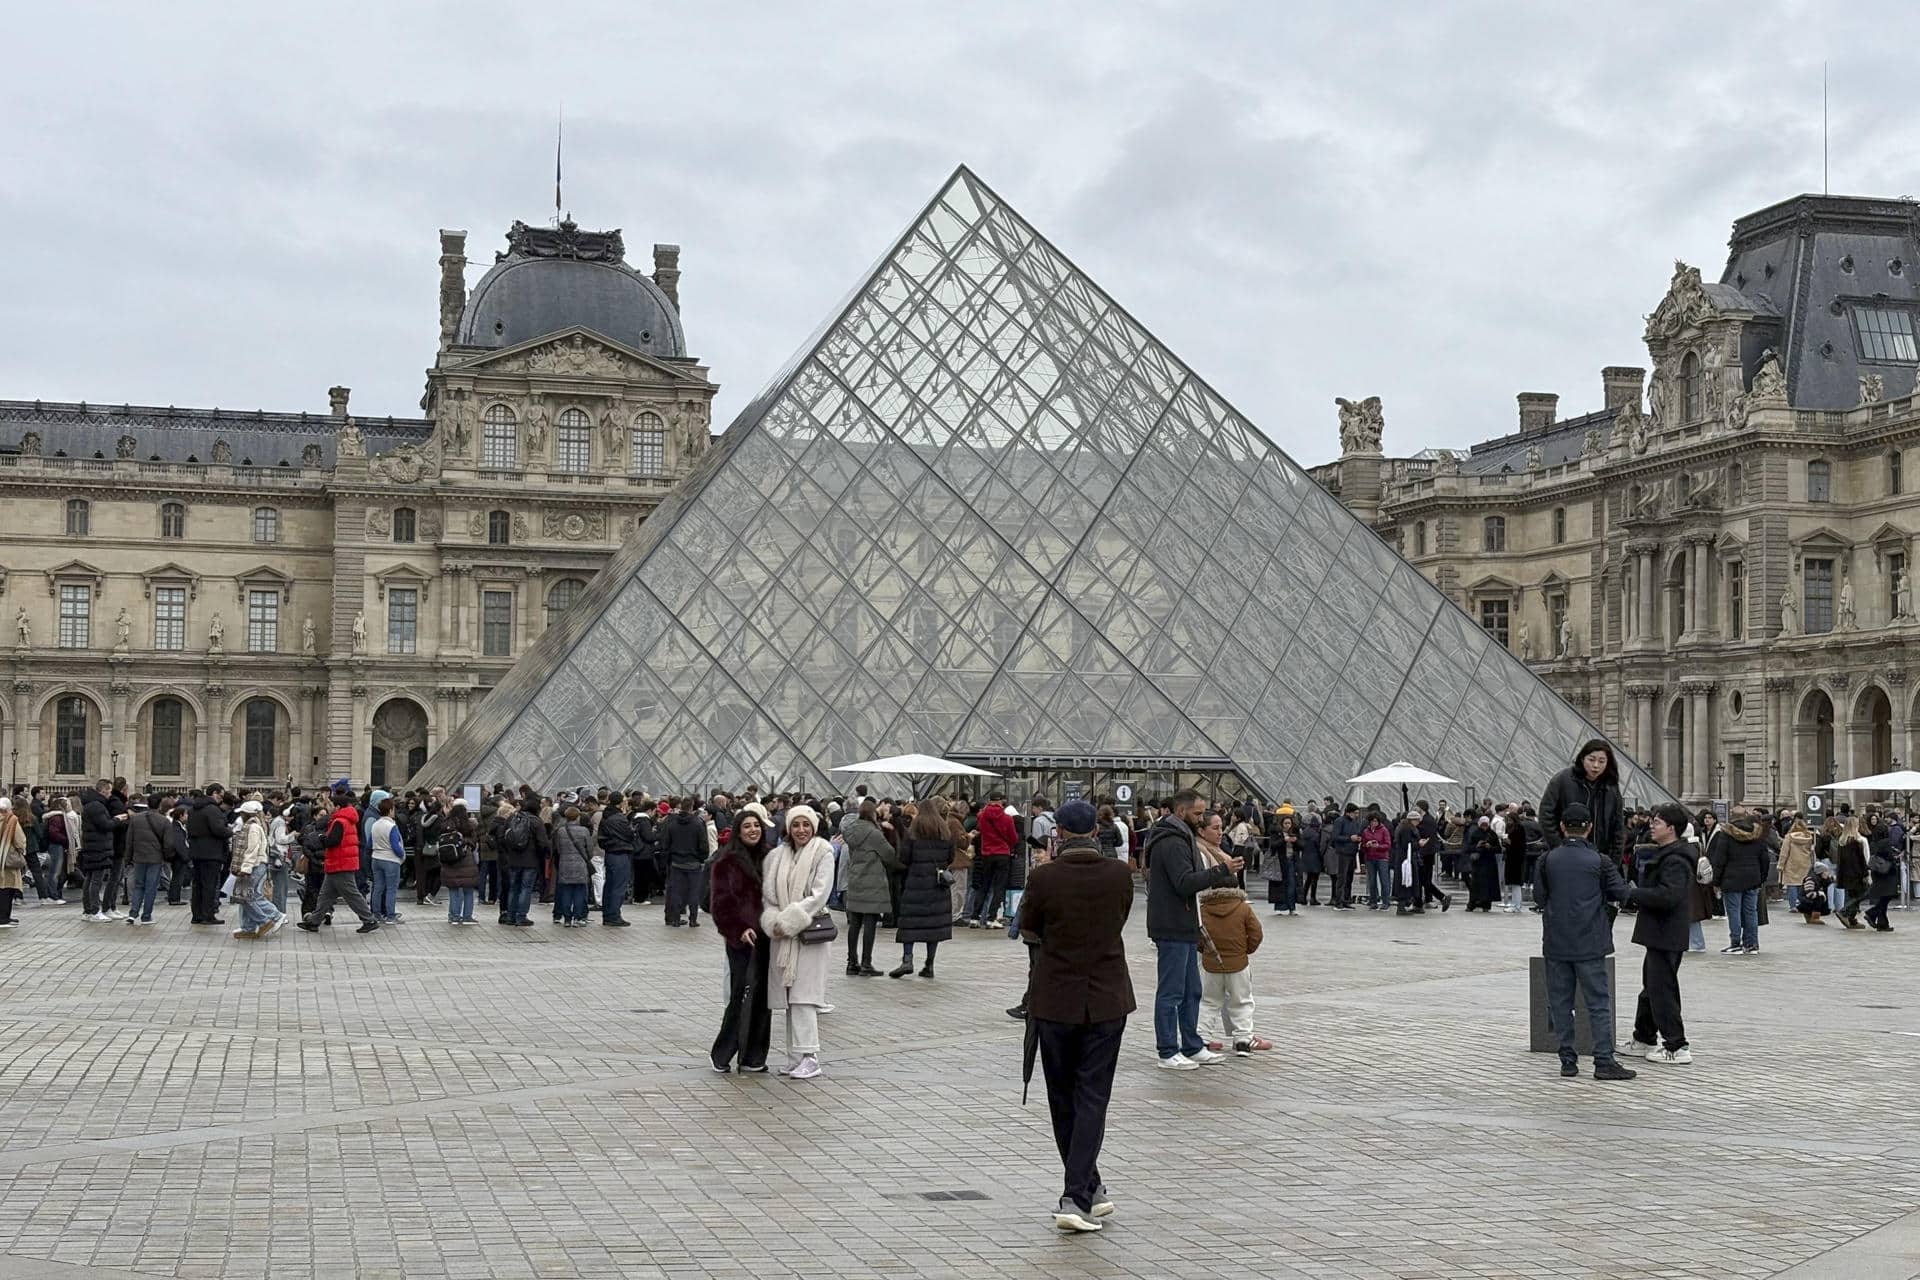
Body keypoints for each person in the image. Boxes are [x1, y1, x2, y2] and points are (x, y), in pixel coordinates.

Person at [1017, 797, 1135, 1233]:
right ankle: (1089, 1186)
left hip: (1055, 998)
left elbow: (1028, 927)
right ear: (1096, 831)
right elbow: (1118, 921)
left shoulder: (1044, 877)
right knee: (1093, 1096)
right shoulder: (1120, 875)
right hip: (1107, 997)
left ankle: (1075, 1195)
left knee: (1062, 1096)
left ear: (1060, 832)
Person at [1532, 803, 1636, 1080]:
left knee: (1561, 1002)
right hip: (1591, 941)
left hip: (1556, 941)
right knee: (1598, 1002)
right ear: (1589, 827)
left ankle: (1568, 1061)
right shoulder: (1600, 861)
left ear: (1563, 828)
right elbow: (1621, 893)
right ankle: (1603, 1061)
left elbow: (1540, 899)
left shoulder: (1547, 859)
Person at [1143, 790, 1240, 1070]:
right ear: (1181, 811)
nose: (1201, 818)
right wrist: (1221, 870)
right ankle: (1167, 1049)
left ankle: (1191, 1045)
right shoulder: (1172, 841)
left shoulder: (1182, 837)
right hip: (1172, 923)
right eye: (1197, 813)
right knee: (1172, 991)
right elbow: (1184, 882)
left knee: (1191, 990)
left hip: (1185, 922)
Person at [761, 806, 835, 1080]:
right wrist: (774, 921)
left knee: (804, 996)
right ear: (788, 828)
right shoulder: (777, 856)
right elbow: (769, 895)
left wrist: (789, 919)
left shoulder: (822, 851)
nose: (801, 830)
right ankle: (795, 1056)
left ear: (814, 827)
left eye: (806, 824)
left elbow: (819, 895)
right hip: (783, 934)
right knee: (790, 997)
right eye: (796, 825)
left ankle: (809, 1055)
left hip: (808, 935)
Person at [1622, 802, 1695, 1065]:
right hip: (1660, 932)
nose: (1651, 825)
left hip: (1666, 932)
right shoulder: (1670, 853)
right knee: (1651, 988)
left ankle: (1677, 1045)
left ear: (1672, 828)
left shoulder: (1675, 859)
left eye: (1657, 822)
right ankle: (1644, 1038)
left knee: (1662, 989)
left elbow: (1668, 896)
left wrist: (1633, 894)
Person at [1194, 813, 1270, 1055]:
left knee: (1209, 999)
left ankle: (1202, 1037)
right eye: (1215, 828)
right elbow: (1256, 933)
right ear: (1201, 831)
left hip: (1210, 950)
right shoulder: (1203, 854)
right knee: (1240, 998)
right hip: (1235, 956)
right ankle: (1243, 1038)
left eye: (1220, 827)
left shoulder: (1216, 851)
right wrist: (1245, 949)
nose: (1220, 832)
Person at [710, 811, 774, 1073]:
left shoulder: (770, 857)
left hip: (768, 935)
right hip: (742, 940)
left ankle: (753, 1056)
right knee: (740, 995)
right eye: (747, 826)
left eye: (756, 825)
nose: (753, 830)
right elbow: (720, 905)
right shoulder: (726, 862)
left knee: (763, 999)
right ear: (738, 831)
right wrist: (738, 929)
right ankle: (723, 1052)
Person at [296, 782, 380, 934]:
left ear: (338, 807)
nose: (329, 808)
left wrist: (322, 838)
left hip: (340, 863)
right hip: (339, 862)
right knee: (325, 895)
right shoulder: (347, 820)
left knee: (352, 894)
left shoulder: (339, 822)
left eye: (332, 805)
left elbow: (333, 841)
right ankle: (314, 922)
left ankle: (369, 920)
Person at [891, 801, 954, 979]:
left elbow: (904, 858)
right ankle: (929, 964)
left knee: (909, 923)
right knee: (933, 926)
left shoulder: (913, 832)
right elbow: (951, 857)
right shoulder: (945, 832)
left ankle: (907, 960)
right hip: (937, 886)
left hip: (915, 885)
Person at [838, 799, 897, 977]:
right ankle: (866, 963)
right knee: (870, 923)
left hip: (855, 880)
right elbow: (889, 854)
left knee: (854, 924)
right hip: (873, 883)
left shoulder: (851, 831)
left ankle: (851, 962)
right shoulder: (874, 833)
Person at [1706, 807, 1771, 954]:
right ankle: (1751, 944)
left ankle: (1735, 943)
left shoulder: (1726, 834)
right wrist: (1761, 877)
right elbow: (1764, 858)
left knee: (1734, 912)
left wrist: (1715, 882)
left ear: (1731, 816)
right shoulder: (1757, 833)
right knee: (1751, 912)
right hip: (1753, 878)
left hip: (1731, 879)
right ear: (1746, 816)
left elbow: (1719, 860)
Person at [230, 798, 287, 940]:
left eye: (242, 813)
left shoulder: (253, 828)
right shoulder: (253, 826)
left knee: (246, 897)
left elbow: (252, 849)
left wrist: (246, 868)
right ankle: (248, 927)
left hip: (254, 865)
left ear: (247, 814)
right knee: (246, 896)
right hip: (254, 865)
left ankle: (268, 919)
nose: (240, 816)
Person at [965, 792, 1016, 927]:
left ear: (989, 801)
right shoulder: (1007, 819)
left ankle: (974, 917)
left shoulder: (981, 816)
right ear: (1001, 802)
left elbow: (980, 830)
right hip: (1002, 854)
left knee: (983, 885)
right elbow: (1013, 838)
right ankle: (991, 918)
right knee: (999, 887)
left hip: (986, 854)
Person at [186, 784, 230, 925]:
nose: (221, 800)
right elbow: (218, 829)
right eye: (221, 796)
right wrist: (230, 831)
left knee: (197, 884)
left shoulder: (193, 809)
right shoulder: (213, 810)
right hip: (212, 852)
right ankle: (208, 915)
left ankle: (197, 915)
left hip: (196, 852)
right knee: (209, 885)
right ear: (215, 793)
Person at [660, 797, 707, 927]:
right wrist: (701, 858)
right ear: (692, 807)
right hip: (693, 862)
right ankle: (693, 919)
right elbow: (703, 845)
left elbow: (666, 843)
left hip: (676, 862)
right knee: (693, 892)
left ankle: (675, 919)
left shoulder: (672, 823)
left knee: (676, 891)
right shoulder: (698, 824)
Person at [125, 796, 172, 926]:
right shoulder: (164, 821)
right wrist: (167, 857)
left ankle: (133, 913)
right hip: (155, 858)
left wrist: (128, 858)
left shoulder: (135, 819)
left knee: (138, 885)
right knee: (151, 888)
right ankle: (146, 916)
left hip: (139, 857)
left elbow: (129, 841)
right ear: (159, 806)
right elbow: (168, 843)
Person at [78, 779, 120, 922]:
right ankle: (94, 910)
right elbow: (105, 825)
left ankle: (88, 910)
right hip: (98, 847)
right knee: (96, 879)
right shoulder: (97, 806)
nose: (110, 794)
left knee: (90, 878)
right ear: (103, 790)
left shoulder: (91, 804)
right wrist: (117, 819)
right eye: (109, 791)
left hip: (92, 846)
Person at [595, 794, 635, 928]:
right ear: (620, 803)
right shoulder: (619, 818)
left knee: (610, 885)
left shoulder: (606, 816)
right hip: (620, 853)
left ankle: (608, 914)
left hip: (610, 853)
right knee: (618, 886)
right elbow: (629, 835)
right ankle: (614, 915)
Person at [437, 801, 479, 924]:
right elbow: (474, 841)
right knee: (468, 889)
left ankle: (453, 916)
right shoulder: (468, 825)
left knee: (453, 889)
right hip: (465, 859)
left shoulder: (445, 824)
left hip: (448, 860)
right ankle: (467, 916)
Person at [551, 805, 593, 927]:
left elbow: (558, 849)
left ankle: (567, 918)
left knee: (566, 892)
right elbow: (590, 850)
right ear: (578, 817)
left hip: (564, 865)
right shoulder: (584, 831)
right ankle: (578, 917)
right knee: (580, 892)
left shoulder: (561, 831)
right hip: (580, 865)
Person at [368, 796, 407, 925]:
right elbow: (396, 846)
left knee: (378, 887)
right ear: (390, 810)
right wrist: (401, 855)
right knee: (391, 889)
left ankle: (376, 914)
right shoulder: (391, 826)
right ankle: (390, 915)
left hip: (376, 858)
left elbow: (369, 844)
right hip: (390, 859)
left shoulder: (375, 824)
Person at [1864, 816, 1902, 932]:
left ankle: (1882, 923)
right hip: (1887, 873)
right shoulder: (1885, 842)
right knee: (1887, 896)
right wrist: (1895, 857)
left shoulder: (1873, 842)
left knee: (1883, 897)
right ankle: (1872, 913)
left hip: (1877, 872)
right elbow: (1889, 857)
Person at [1833, 816, 1871, 930]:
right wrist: (1867, 872)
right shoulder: (1860, 841)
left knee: (1852, 895)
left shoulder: (1842, 841)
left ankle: (1852, 920)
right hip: (1858, 872)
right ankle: (1844, 912)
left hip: (1846, 873)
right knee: (1863, 893)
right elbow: (1865, 858)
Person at [1327, 803, 1362, 909]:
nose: (1356, 815)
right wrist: (1349, 838)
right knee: (1342, 877)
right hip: (1343, 853)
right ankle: (1339, 901)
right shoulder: (1340, 821)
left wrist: (1358, 839)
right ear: (1348, 812)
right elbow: (1335, 836)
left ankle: (1346, 899)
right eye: (1355, 813)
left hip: (1352, 852)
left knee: (1349, 878)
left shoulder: (1355, 822)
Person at [1776, 817, 1814, 914]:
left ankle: (1793, 906)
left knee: (1792, 884)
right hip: (1805, 862)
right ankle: (1801, 903)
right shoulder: (1809, 837)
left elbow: (1784, 852)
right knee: (1802, 884)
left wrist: (1780, 865)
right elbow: (1811, 851)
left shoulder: (1789, 837)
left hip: (1791, 863)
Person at [1463, 815, 1501, 911]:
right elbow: (1467, 848)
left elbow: (1498, 848)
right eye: (1483, 825)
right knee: (1476, 885)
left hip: (1489, 863)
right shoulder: (1475, 833)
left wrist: (1490, 847)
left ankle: (1486, 905)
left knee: (1488, 885)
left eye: (1486, 825)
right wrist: (1477, 846)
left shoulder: (1492, 834)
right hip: (1478, 863)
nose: (1484, 827)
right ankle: (1473, 903)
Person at [1265, 813, 1300, 915]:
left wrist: (1296, 841)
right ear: (1282, 824)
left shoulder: (1295, 833)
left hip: (1292, 861)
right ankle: (1279, 907)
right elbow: (1273, 845)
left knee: (1292, 884)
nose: (1287, 825)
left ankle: (1292, 907)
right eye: (1286, 823)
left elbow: (1302, 845)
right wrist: (1283, 840)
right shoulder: (1277, 833)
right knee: (1279, 884)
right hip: (1279, 862)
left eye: (1289, 823)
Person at [0, 797, 26, 928]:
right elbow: (20, 841)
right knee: (7, 888)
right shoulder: (11, 820)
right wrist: (21, 850)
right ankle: (3, 918)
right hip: (7, 859)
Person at [1360, 809, 1392, 910]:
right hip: (1370, 858)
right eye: (1372, 821)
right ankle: (1373, 901)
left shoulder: (1384, 830)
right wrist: (1366, 845)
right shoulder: (1366, 831)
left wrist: (1378, 846)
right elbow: (1362, 847)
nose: (1374, 823)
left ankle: (1385, 901)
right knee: (1372, 881)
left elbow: (1388, 845)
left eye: (1376, 821)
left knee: (1384, 880)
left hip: (1382, 858)